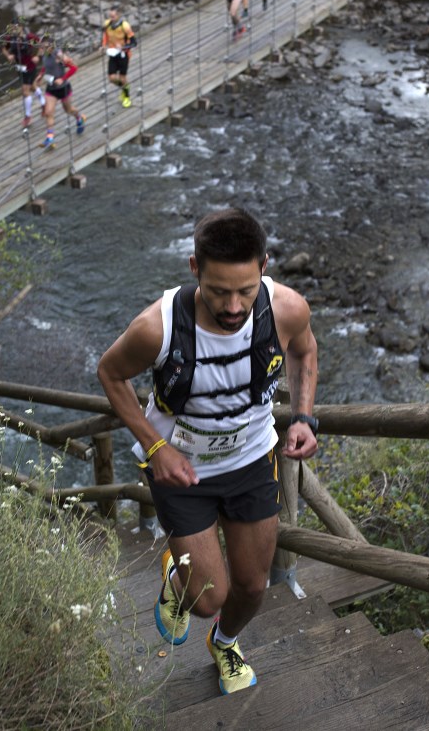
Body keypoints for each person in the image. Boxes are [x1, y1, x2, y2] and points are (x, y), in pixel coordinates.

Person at [97, 207, 320, 696]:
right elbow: (110, 374)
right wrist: (154, 446)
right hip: (182, 471)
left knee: (252, 587)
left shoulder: (285, 308)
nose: (235, 305)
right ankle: (179, 580)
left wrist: (303, 416)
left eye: (245, 290)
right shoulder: (157, 327)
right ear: (195, 268)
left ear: (264, 265)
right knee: (206, 597)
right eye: (220, 291)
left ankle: (225, 643)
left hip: (253, 461)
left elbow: (304, 350)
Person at [35, 36, 86, 150]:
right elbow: (46, 67)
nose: (42, 48)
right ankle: (50, 138)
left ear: (51, 46)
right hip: (51, 89)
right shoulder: (45, 54)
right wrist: (40, 75)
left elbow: (74, 68)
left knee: (68, 110)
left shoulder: (58, 54)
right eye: (42, 46)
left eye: (45, 46)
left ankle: (79, 118)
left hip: (63, 88)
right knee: (48, 112)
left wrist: (63, 78)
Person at [0, 20, 46, 129]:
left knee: (25, 90)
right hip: (19, 68)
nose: (14, 30)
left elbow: (42, 45)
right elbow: (3, 48)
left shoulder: (29, 37)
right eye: (12, 28)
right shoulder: (10, 39)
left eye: (16, 27)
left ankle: (28, 116)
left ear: (21, 27)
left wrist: (38, 56)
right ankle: (44, 104)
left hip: (30, 67)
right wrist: (8, 56)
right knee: (33, 86)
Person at [100, 6, 137, 109]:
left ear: (118, 15)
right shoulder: (107, 24)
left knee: (122, 77)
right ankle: (125, 87)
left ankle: (126, 96)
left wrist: (124, 47)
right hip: (112, 53)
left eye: (113, 16)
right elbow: (105, 36)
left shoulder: (125, 26)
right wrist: (103, 46)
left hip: (123, 54)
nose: (111, 18)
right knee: (111, 78)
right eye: (110, 16)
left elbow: (134, 43)